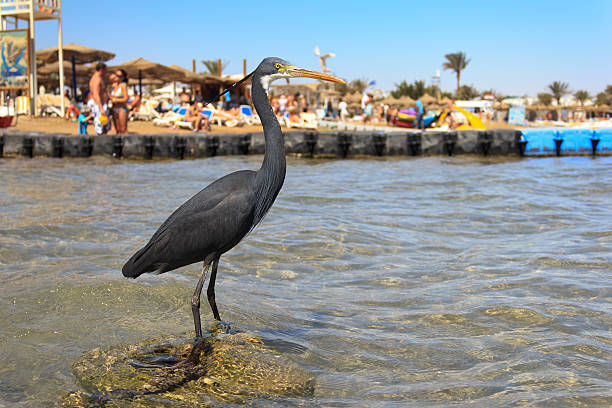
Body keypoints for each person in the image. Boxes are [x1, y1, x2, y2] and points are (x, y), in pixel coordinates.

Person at [88, 62, 111, 135]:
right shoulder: (97, 79)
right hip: (99, 105)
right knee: (101, 127)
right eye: (105, 70)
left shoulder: (98, 78)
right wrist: (101, 108)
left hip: (101, 104)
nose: (106, 72)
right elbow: (96, 94)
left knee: (104, 126)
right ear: (101, 70)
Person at [109, 69, 129, 135]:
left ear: (123, 77)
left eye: (119, 76)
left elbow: (126, 98)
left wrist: (116, 100)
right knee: (117, 129)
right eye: (116, 75)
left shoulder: (123, 85)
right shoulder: (113, 85)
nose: (116, 77)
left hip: (122, 108)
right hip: (114, 108)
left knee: (123, 129)